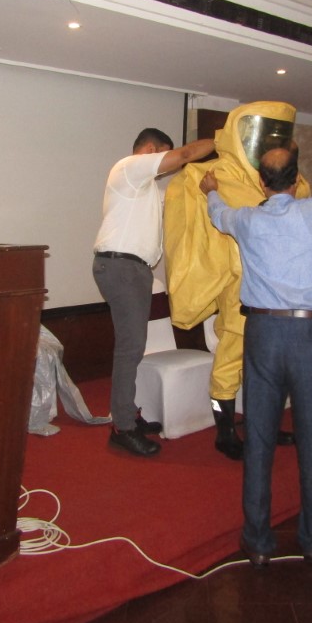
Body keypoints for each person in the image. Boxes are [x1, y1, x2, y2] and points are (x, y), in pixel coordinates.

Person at [199, 147, 312, 565]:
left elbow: (218, 215)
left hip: (262, 334)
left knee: (259, 439)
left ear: (262, 183)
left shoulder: (247, 219)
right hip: (310, 335)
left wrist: (210, 190)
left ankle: (258, 543)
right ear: (296, 181)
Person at [163, 101, 312, 460]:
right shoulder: (214, 177)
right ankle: (224, 432)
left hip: (281, 302)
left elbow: (303, 214)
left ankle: (262, 424)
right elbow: (194, 232)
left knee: (270, 369)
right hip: (241, 294)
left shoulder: (288, 181)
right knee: (230, 363)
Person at [93, 127, 215, 457]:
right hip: (121, 266)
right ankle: (122, 426)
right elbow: (186, 155)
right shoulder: (129, 167)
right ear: (150, 149)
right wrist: (225, 140)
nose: (168, 165)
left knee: (132, 347)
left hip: (132, 269)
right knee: (130, 348)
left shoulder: (146, 189)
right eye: (164, 154)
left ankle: (127, 413)